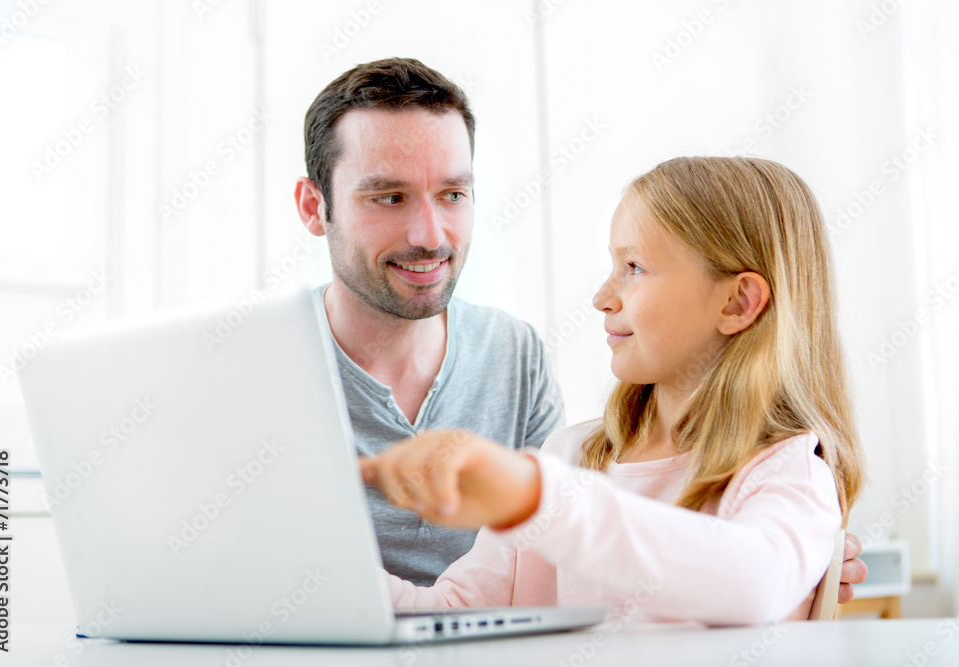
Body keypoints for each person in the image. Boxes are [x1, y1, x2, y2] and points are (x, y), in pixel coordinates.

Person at [360, 156, 866, 625]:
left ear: (736, 303)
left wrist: (537, 498)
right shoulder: (569, 456)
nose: (603, 298)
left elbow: (753, 583)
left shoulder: (787, 475)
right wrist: (321, 580)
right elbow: (456, 612)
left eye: (635, 268)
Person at [294, 57, 566, 586]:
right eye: (389, 197)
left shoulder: (515, 353)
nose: (430, 235)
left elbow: (554, 564)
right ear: (313, 206)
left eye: (452, 195)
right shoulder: (252, 364)